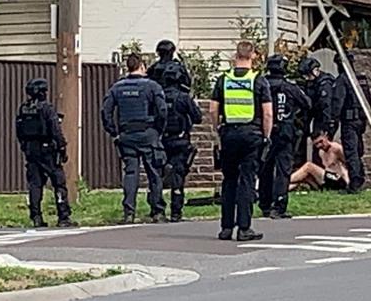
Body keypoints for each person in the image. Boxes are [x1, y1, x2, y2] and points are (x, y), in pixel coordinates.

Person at [210, 41, 273, 241]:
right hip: (252, 135)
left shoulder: (223, 79)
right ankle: (244, 228)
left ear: (235, 56)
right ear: (253, 55)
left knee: (229, 180)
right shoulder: (259, 80)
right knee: (246, 180)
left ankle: (226, 227)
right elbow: (268, 113)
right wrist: (267, 136)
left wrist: (217, 129)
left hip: (229, 133)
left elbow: (212, 109)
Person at [103, 53, 168, 224]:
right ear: (142, 66)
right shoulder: (152, 87)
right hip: (148, 134)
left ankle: (129, 212)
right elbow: (162, 110)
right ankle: (157, 212)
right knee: (154, 173)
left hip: (127, 136)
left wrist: (114, 132)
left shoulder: (117, 88)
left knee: (131, 173)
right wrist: (158, 131)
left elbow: (106, 112)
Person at [15, 78, 76, 228]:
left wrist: (25, 146)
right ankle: (63, 216)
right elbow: (55, 130)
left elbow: (19, 130)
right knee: (58, 183)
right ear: (42, 92)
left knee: (35, 184)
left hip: (31, 150)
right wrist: (62, 147)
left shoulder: (23, 108)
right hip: (48, 150)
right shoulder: (47, 109)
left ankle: (36, 216)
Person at [258, 54, 312, 219]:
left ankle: (265, 204)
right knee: (283, 170)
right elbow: (307, 103)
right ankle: (279, 205)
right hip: (285, 132)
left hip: (264, 132)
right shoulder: (289, 87)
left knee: (265, 168)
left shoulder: (261, 84)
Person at [161, 63, 203, 222]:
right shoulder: (184, 97)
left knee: (158, 175)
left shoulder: (159, 94)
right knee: (178, 176)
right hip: (180, 140)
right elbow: (198, 117)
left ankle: (157, 209)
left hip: (163, 141)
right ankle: (176, 211)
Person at [330, 52, 371, 194]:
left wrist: (332, 123)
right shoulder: (361, 79)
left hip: (349, 121)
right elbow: (368, 102)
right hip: (361, 120)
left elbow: (337, 103)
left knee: (351, 151)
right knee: (358, 151)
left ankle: (355, 182)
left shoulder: (342, 80)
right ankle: (359, 178)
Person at [298, 57, 335, 139]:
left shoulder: (325, 84)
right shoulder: (311, 83)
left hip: (324, 119)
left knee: (320, 143)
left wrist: (327, 126)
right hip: (318, 117)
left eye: (308, 75)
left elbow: (326, 105)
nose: (306, 78)